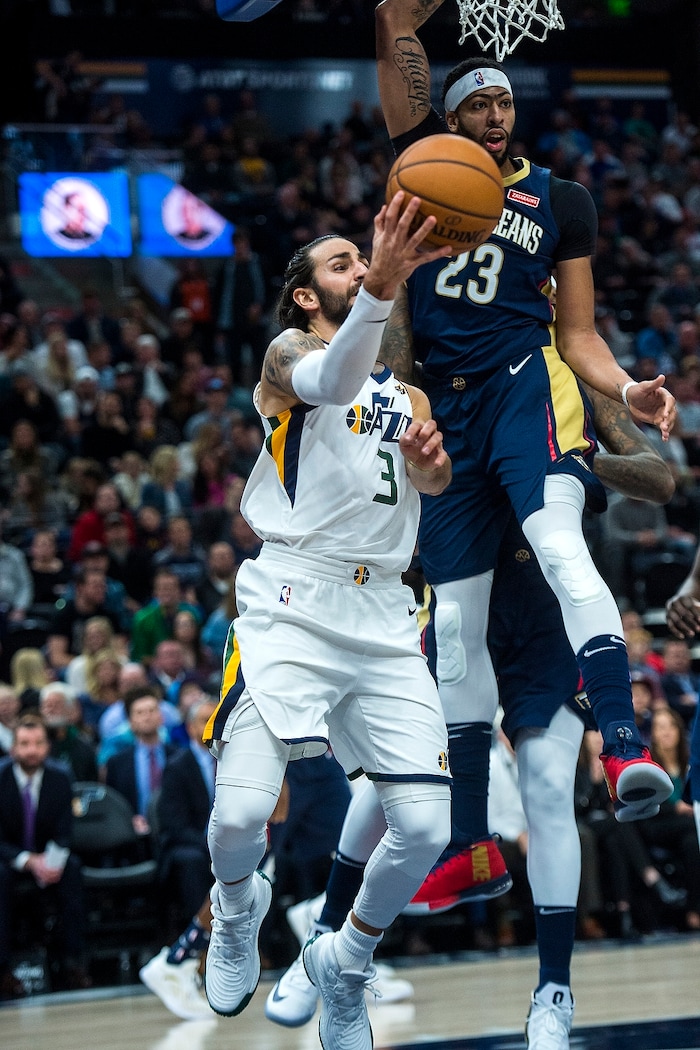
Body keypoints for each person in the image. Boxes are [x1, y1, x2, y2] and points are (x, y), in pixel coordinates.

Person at [373, 0, 675, 921]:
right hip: (446, 413)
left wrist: (628, 395)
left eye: (506, 101)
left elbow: (578, 334)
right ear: (451, 117)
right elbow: (395, 32)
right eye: (479, 103)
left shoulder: (559, 199)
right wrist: (404, 15)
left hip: (525, 381)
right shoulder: (418, 174)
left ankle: (622, 742)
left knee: (559, 543)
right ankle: (469, 844)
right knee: (455, 630)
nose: (497, 114)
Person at [265, 383, 677, 1042]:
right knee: (390, 779)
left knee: (545, 790)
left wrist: (567, 458)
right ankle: (322, 939)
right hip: (459, 608)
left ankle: (553, 996)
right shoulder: (420, 386)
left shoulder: (566, 377)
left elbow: (659, 477)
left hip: (543, 614)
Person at [203, 192, 454, 1049]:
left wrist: (431, 467)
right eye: (341, 263)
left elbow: (431, 485)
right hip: (293, 602)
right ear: (309, 295)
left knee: (425, 827)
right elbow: (335, 379)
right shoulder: (286, 356)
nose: (358, 268)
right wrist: (384, 285)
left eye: (362, 260)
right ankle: (237, 908)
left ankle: (345, 960)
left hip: (384, 608)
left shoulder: (411, 394)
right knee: (238, 821)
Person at [0, 713, 91, 997]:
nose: (32, 750)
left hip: (48, 856)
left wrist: (51, 860)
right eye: (25, 743)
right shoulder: (1, 778)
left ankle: (72, 963)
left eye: (38, 743)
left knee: (72, 870)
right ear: (13, 748)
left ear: (47, 747)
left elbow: (66, 830)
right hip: (9, 858)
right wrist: (27, 860)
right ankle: (4, 970)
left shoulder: (60, 778)